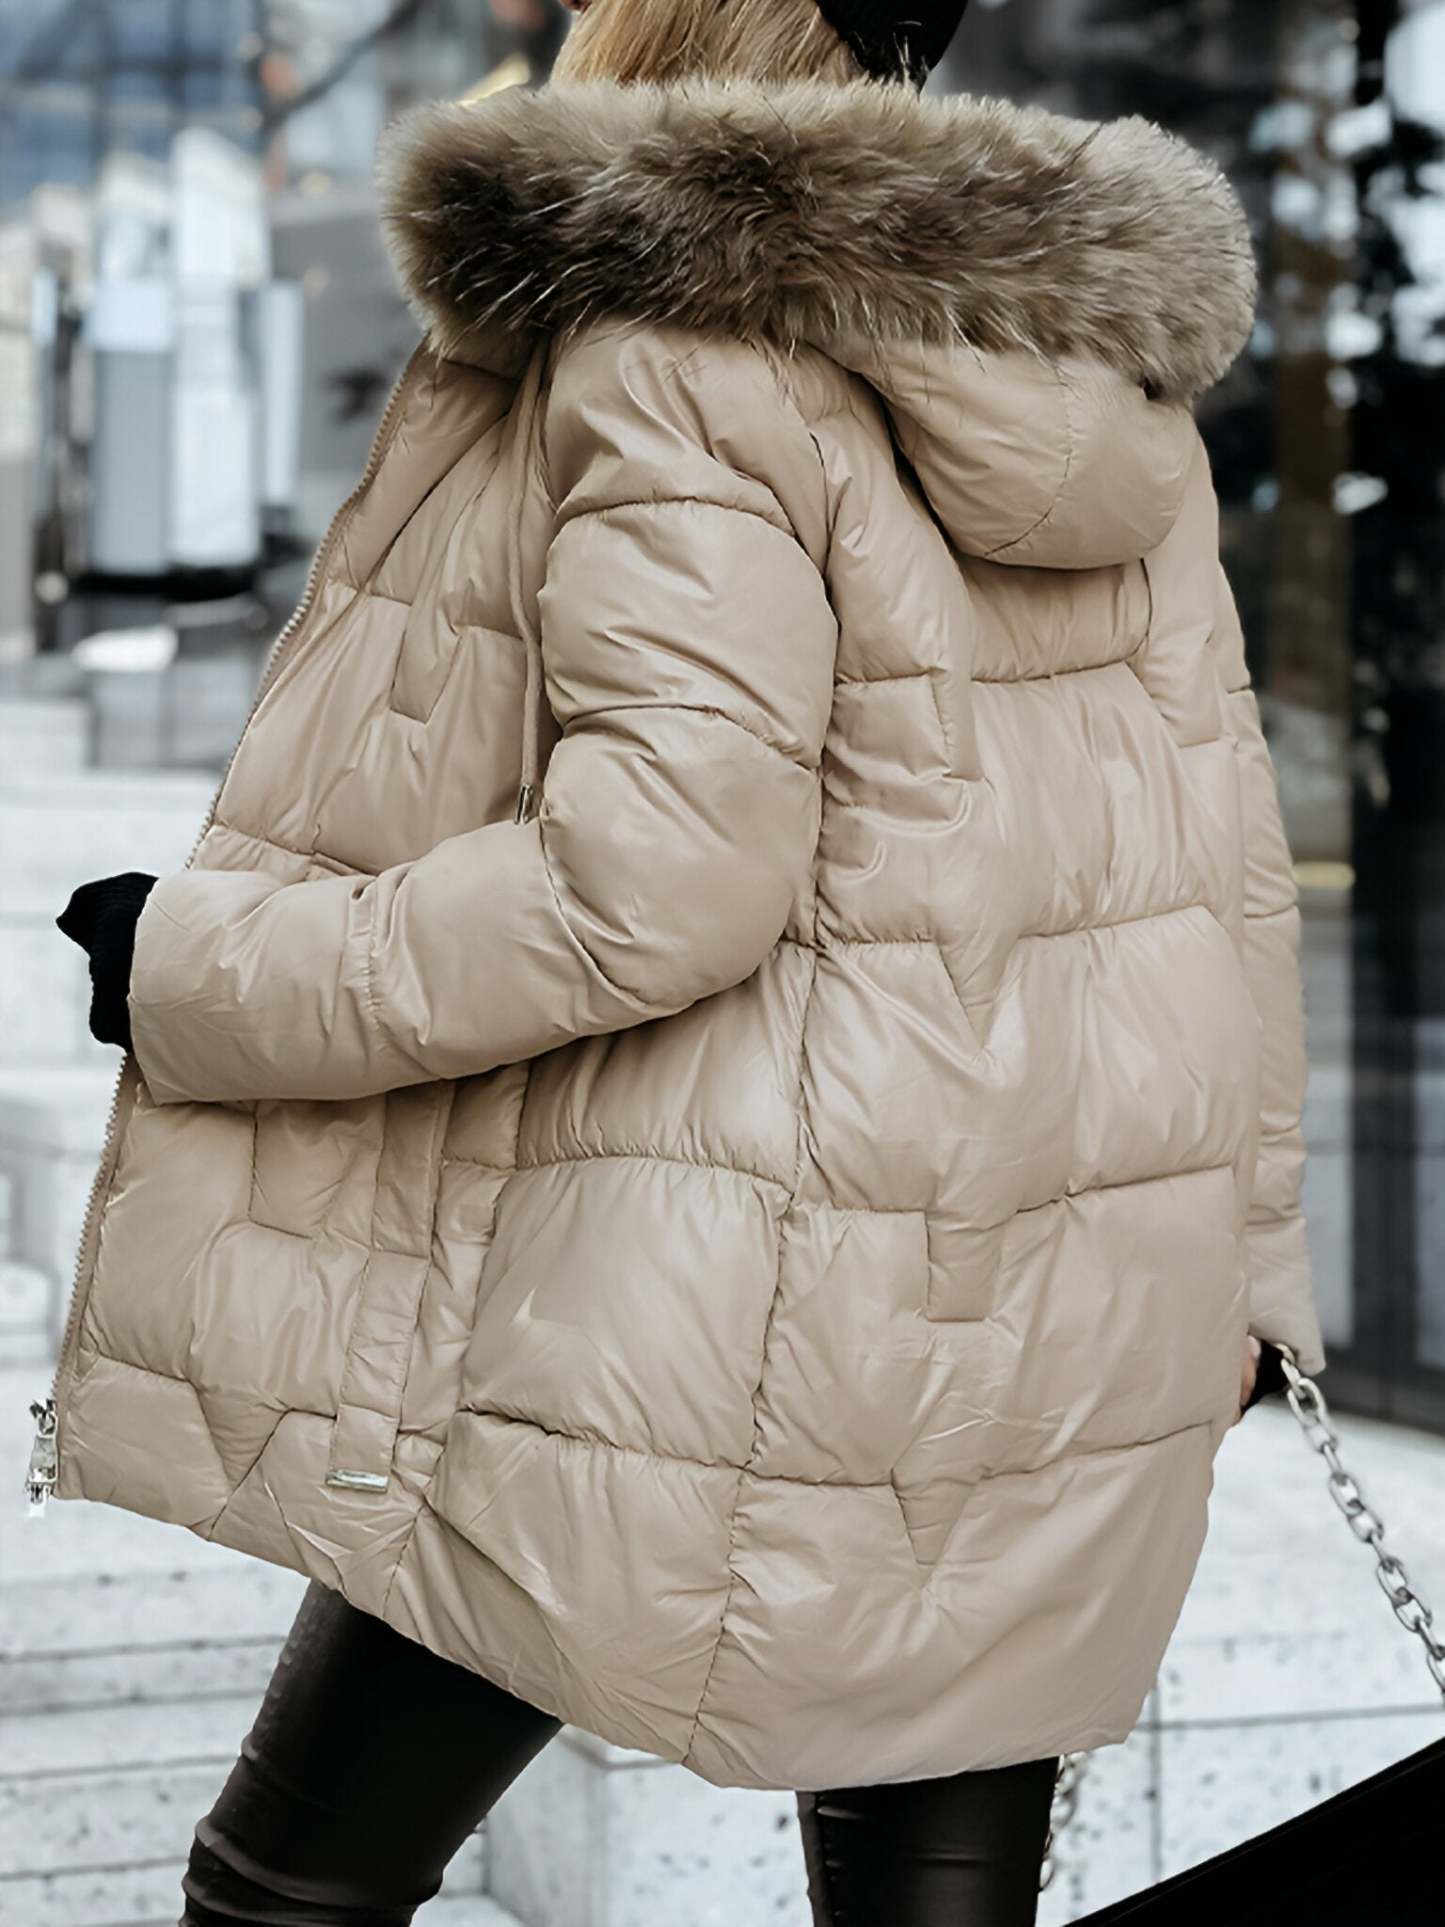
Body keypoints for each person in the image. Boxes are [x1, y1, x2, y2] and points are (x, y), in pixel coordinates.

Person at [49, 0, 1322, 1918]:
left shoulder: (675, 346)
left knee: (283, 1895)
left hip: (686, 1314)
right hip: (1059, 1300)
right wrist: (1253, 1267)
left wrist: (199, 968)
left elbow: (647, 883)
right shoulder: (1096, 374)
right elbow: (1229, 877)